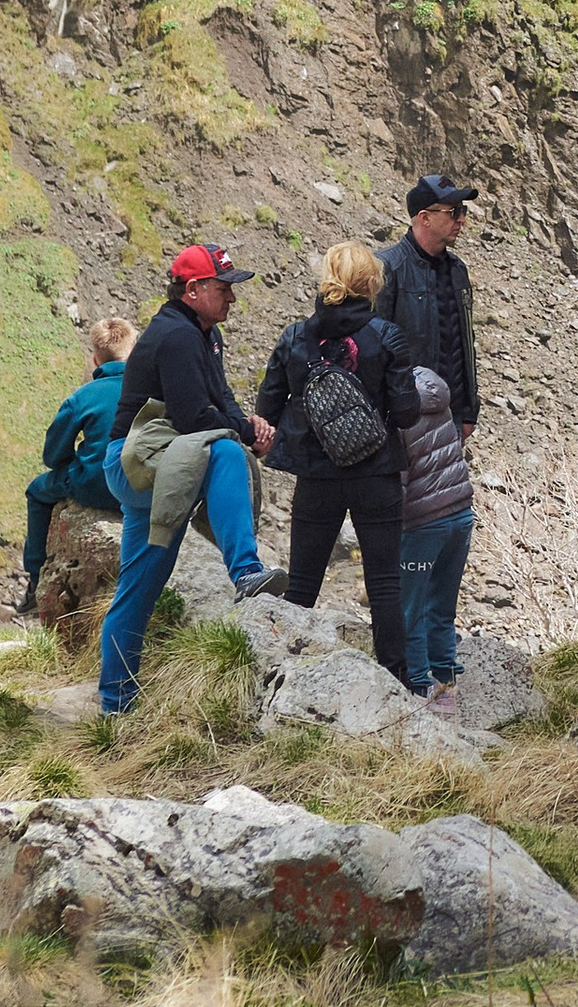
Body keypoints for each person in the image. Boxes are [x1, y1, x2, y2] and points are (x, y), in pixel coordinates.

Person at [96, 247, 276, 717]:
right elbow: (196, 417)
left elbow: (219, 399)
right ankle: (246, 572)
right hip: (139, 462)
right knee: (223, 452)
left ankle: (115, 709)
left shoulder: (203, 333)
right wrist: (243, 435)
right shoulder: (177, 337)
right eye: (224, 287)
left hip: (155, 462)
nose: (232, 296)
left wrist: (248, 424)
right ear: (193, 290)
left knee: (139, 588)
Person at [258, 240, 407, 682]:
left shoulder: (295, 338)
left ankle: (281, 676)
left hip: (316, 478)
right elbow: (406, 413)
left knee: (303, 583)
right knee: (384, 584)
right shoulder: (386, 337)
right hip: (376, 474)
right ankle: (397, 684)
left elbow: (267, 409)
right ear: (371, 283)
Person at [20, 318, 135, 606]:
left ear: (95, 359)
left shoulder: (82, 397)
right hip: (140, 487)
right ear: (134, 353)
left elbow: (52, 456)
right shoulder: (154, 391)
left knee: (37, 491)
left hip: (93, 486)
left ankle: (35, 579)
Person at [374, 175, 481, 438]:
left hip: (450, 419)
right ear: (424, 217)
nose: (462, 219)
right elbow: (372, 351)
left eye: (463, 211)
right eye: (453, 212)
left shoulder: (457, 270)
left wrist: (469, 410)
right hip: (404, 422)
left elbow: (464, 341)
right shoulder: (386, 269)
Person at [395, 367, 474, 707]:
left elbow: (396, 480)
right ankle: (446, 691)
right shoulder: (433, 389)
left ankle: (417, 690)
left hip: (423, 523)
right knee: (441, 608)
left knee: (410, 610)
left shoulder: (393, 410)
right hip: (461, 513)